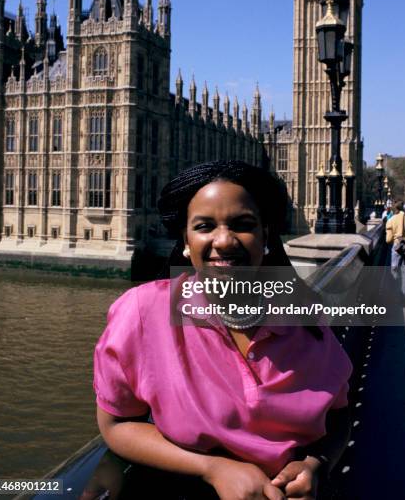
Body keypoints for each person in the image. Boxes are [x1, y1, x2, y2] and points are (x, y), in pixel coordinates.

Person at [93, 161, 353, 500]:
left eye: (242, 225)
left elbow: (339, 413)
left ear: (266, 236)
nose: (225, 240)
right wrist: (212, 468)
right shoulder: (143, 312)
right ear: (185, 241)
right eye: (204, 226)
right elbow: (115, 424)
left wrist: (315, 464)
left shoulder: (304, 318)